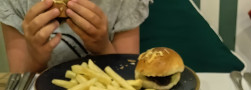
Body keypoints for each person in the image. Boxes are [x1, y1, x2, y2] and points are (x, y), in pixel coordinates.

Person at [0, 0, 152, 73]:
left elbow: (128, 75)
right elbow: (17, 85)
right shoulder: (15, 3)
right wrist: (35, 58)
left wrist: (103, 48)